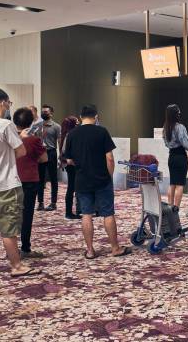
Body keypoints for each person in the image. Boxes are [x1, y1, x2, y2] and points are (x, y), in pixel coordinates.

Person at [0, 88, 41, 277]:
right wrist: (19, 140)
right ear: (3, 102)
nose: (8, 107)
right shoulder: (6, 125)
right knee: (9, 228)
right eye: (8, 103)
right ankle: (16, 266)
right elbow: (21, 151)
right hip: (7, 183)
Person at [63, 104, 131, 259]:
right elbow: (110, 158)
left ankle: (90, 250)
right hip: (102, 179)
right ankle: (115, 248)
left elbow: (69, 160)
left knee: (86, 214)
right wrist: (109, 176)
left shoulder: (72, 134)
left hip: (82, 180)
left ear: (80, 117)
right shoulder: (102, 132)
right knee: (108, 213)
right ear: (96, 116)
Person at [13, 107, 48, 258]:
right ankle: (25, 248)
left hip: (12, 180)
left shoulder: (10, 137)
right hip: (29, 179)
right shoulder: (34, 140)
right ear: (31, 121)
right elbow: (44, 159)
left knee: (12, 215)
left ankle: (11, 248)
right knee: (27, 215)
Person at [162, 104, 188, 208]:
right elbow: (186, 144)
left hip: (171, 157)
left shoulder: (165, 128)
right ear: (176, 114)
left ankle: (170, 207)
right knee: (180, 184)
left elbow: (166, 144)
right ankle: (175, 209)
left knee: (172, 183)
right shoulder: (180, 127)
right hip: (180, 157)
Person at [37, 104, 60, 211]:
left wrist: (61, 156)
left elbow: (59, 142)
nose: (44, 113)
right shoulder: (37, 126)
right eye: (43, 112)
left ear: (51, 113)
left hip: (51, 153)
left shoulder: (56, 126)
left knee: (53, 178)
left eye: (46, 112)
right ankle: (40, 202)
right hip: (40, 154)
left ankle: (53, 202)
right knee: (40, 179)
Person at [60, 115, 81, 219]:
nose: (78, 123)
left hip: (69, 164)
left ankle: (72, 211)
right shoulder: (70, 135)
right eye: (76, 121)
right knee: (72, 187)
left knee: (72, 187)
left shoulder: (66, 134)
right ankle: (69, 212)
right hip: (71, 164)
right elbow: (65, 151)